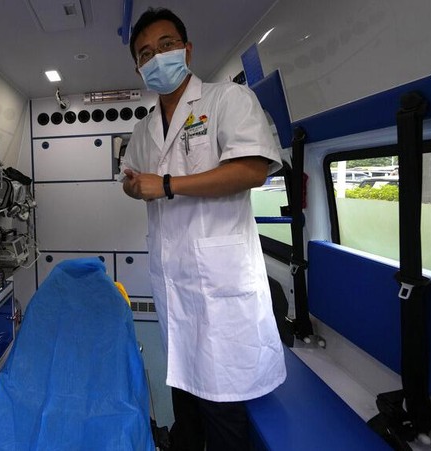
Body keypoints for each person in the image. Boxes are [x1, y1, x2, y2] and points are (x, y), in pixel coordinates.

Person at [120, 8, 286, 451]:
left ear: (187, 49)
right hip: (173, 280)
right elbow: (134, 180)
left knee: (222, 404)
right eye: (145, 53)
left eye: (166, 45)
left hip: (220, 283)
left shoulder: (227, 101)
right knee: (183, 391)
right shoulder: (143, 129)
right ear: (138, 67)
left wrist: (168, 185)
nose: (157, 57)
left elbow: (252, 169)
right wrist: (137, 189)